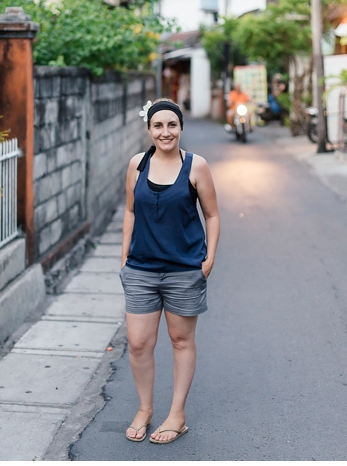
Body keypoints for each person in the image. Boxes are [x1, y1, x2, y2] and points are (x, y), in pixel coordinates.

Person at [119, 97, 220, 444]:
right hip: (142, 269)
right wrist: (124, 259)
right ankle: (145, 409)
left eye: (172, 125)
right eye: (158, 125)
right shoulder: (136, 165)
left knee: (181, 341)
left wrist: (208, 261)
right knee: (138, 343)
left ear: (180, 128)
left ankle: (177, 414)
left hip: (183, 271)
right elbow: (130, 212)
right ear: (149, 129)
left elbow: (212, 215)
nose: (166, 132)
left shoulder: (196, 166)